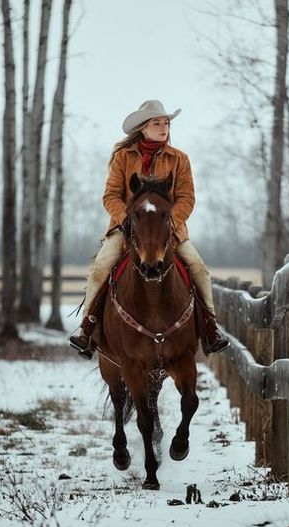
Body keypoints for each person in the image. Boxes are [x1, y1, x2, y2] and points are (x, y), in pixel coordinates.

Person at [70, 100, 229, 359]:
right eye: (157, 123)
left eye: (165, 123)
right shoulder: (123, 157)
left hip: (170, 231)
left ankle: (211, 329)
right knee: (101, 268)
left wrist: (169, 223)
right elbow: (110, 195)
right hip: (126, 229)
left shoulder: (180, 159)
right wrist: (127, 220)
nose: (163, 127)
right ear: (143, 128)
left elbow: (187, 197)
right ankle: (86, 329)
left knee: (199, 268)